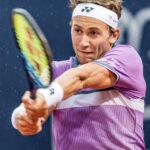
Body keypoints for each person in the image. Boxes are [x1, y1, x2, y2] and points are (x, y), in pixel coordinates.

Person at [11, 0, 146, 149]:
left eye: (93, 33)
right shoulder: (55, 72)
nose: (83, 42)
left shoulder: (127, 59)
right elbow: (29, 111)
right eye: (78, 30)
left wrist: (46, 96)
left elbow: (81, 77)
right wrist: (23, 117)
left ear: (114, 35)